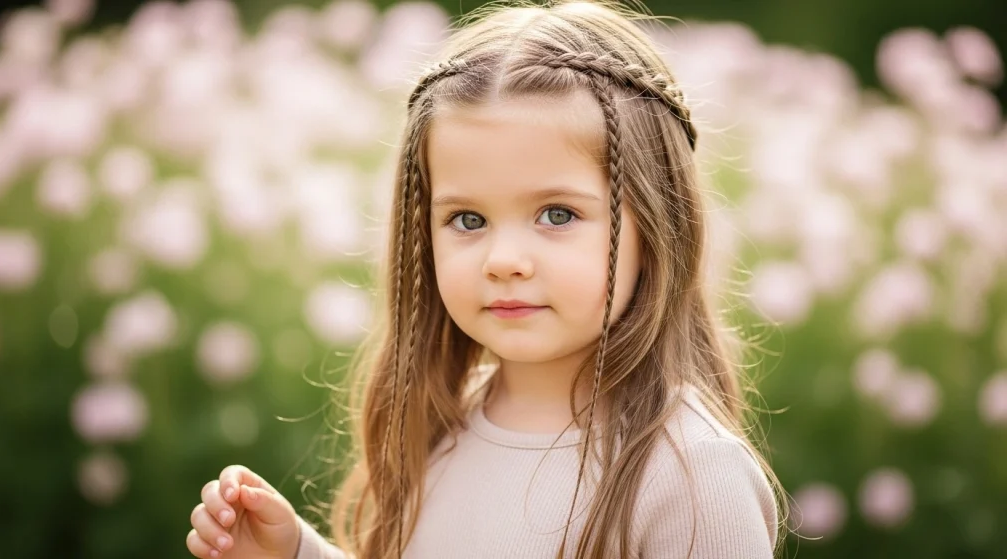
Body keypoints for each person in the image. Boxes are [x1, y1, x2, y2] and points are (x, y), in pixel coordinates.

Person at [186, 1, 789, 557]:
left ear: (657, 228)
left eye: (558, 215)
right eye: (467, 219)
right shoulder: (440, 423)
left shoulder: (691, 478)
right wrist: (294, 554)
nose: (503, 260)